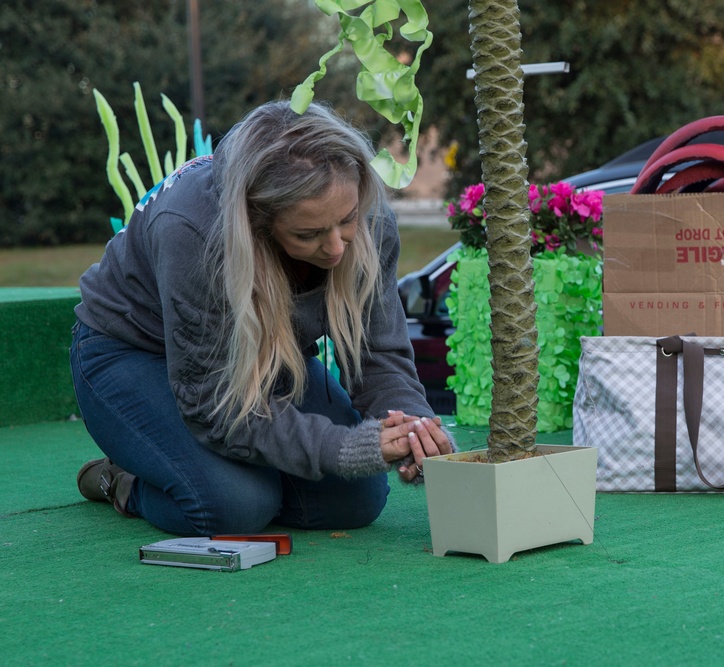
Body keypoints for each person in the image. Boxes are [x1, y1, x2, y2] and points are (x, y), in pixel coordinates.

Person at [71, 100, 454, 536]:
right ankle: (125, 478)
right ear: (255, 221)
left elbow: (379, 354)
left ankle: (214, 468)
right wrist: (341, 447)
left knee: (356, 499)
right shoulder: (194, 232)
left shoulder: (367, 215)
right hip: (131, 352)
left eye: (346, 221)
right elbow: (211, 401)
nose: (336, 248)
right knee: (235, 506)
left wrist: (418, 430)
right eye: (307, 234)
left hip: (265, 353)